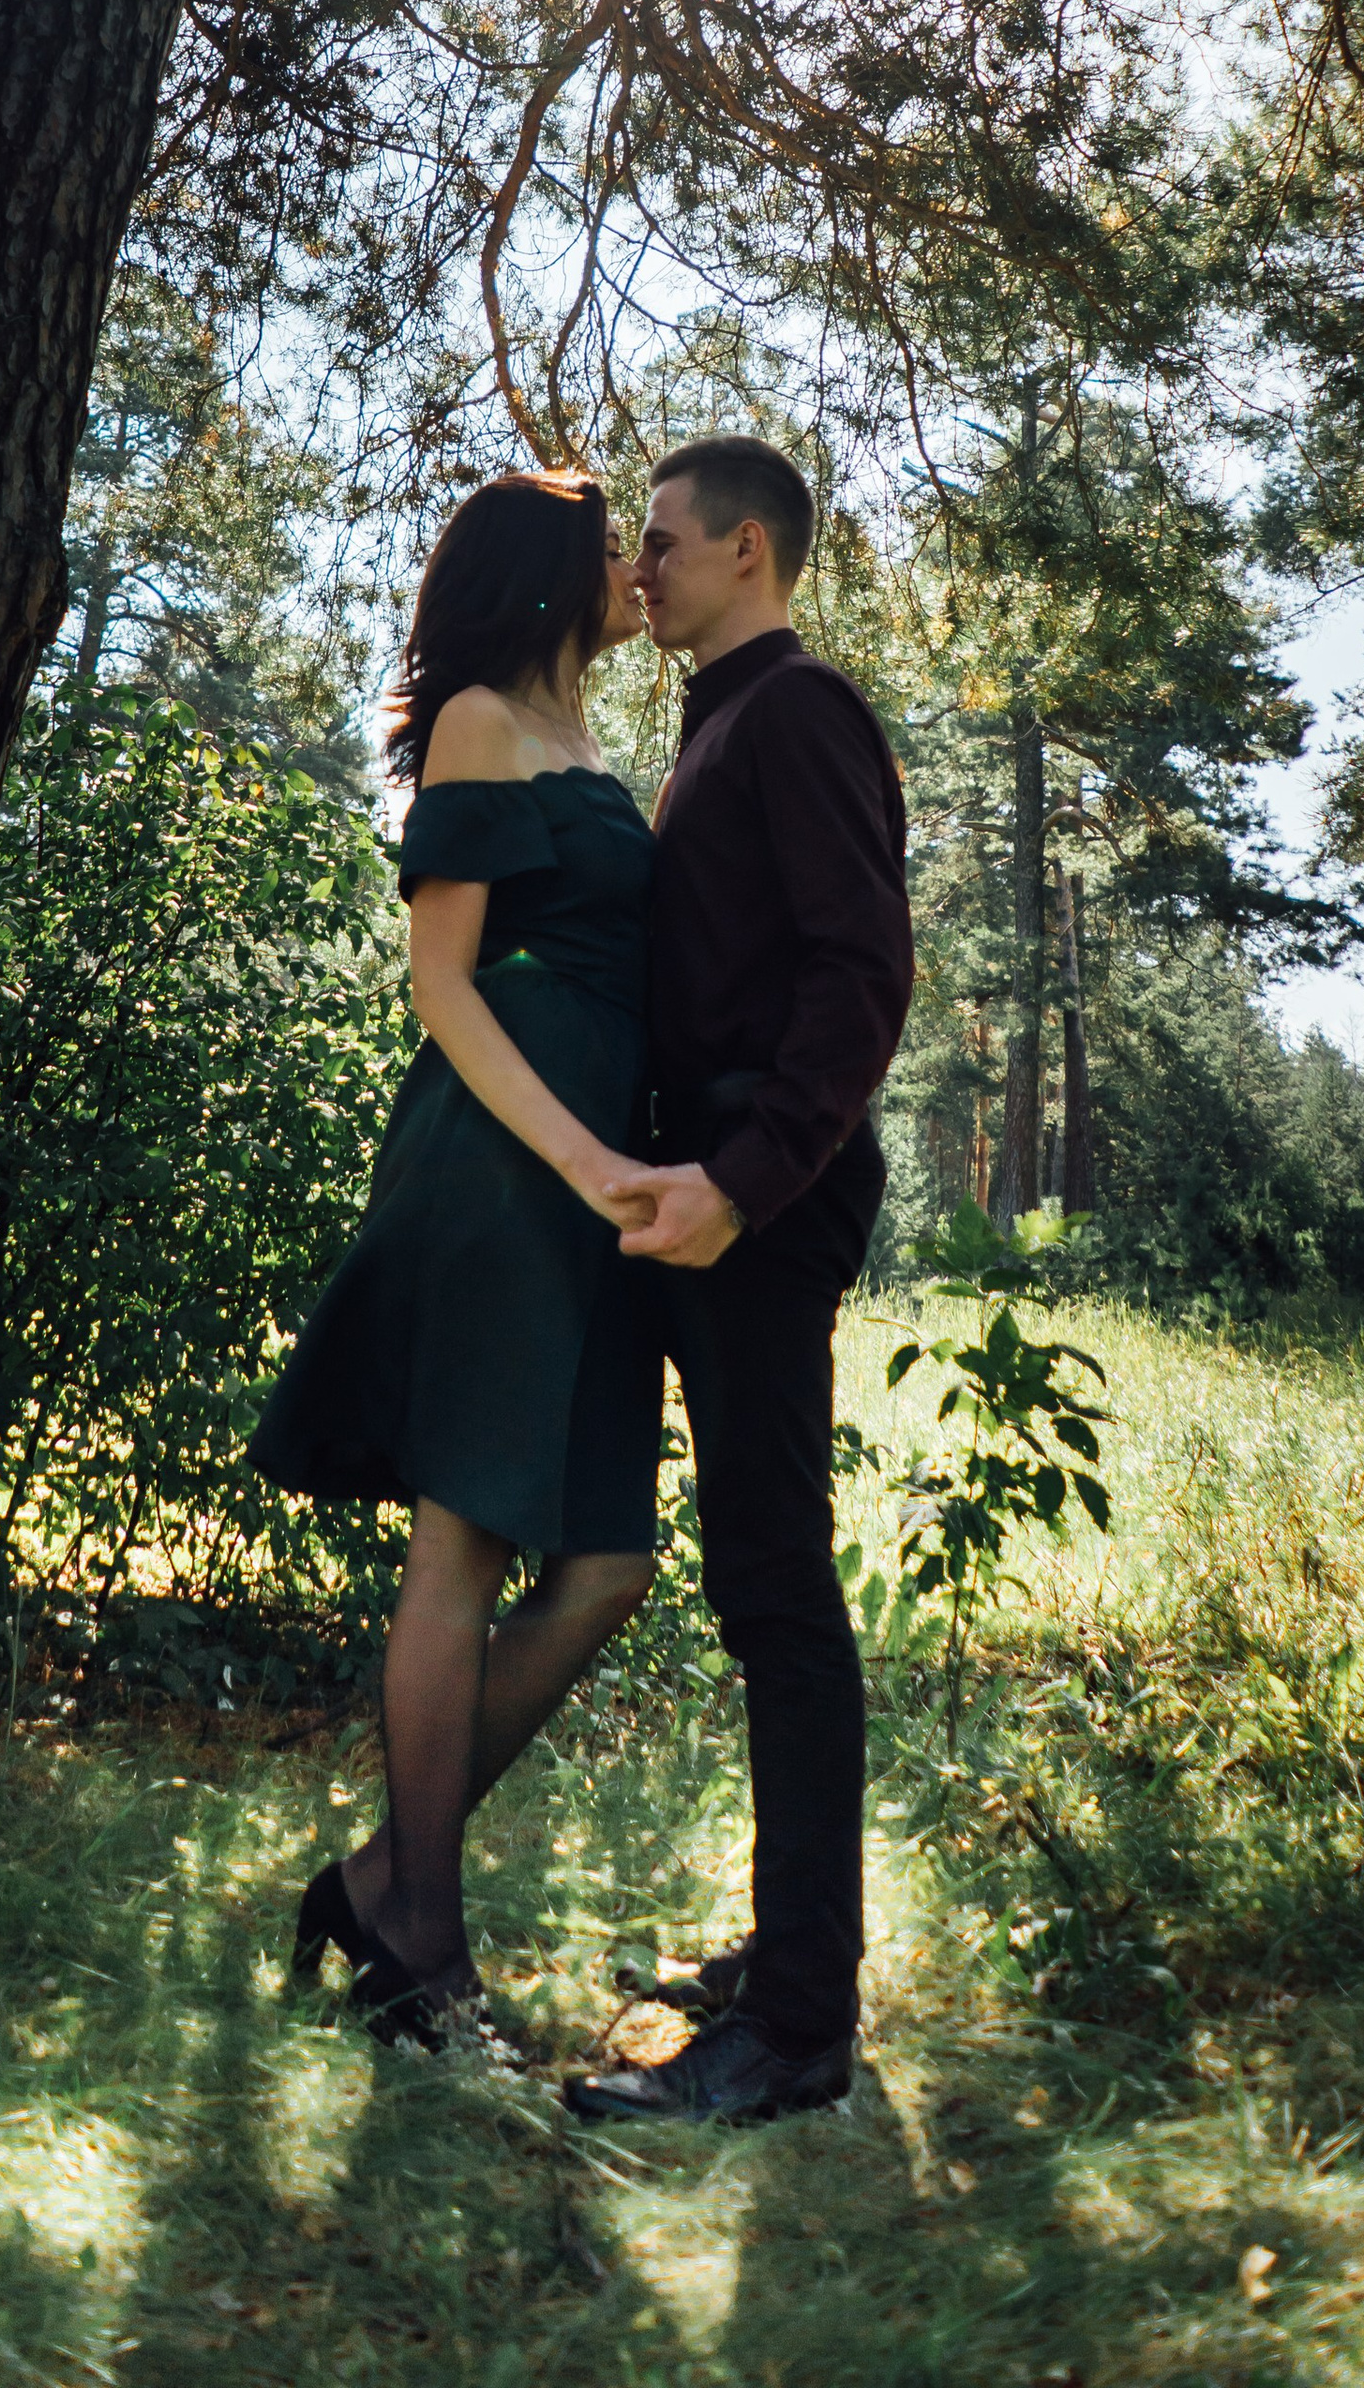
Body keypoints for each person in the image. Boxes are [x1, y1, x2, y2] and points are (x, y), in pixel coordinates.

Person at [250, 470, 662, 2047]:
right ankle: (424, 1942)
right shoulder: (482, 722)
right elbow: (445, 982)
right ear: (548, 575)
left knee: (608, 1564)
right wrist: (577, 1155)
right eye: (610, 545)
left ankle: (375, 1879)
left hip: (604, 1179)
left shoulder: (592, 749)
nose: (635, 570)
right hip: (506, 1170)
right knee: (463, 1551)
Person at [562, 435, 913, 2127]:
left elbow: (863, 976)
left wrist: (741, 1187)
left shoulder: (801, 714)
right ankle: (788, 1965)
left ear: (749, 552)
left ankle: (798, 2035)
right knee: (755, 1595)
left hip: (760, 1203)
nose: (641, 570)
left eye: (665, 543)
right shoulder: (718, 721)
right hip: (707, 1196)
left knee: (780, 1599)